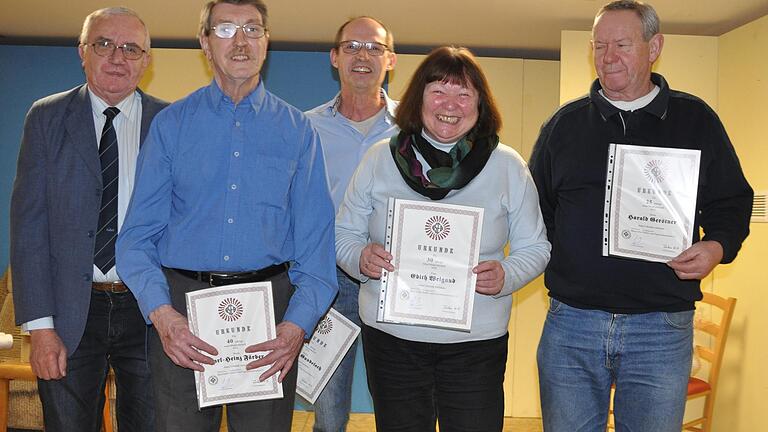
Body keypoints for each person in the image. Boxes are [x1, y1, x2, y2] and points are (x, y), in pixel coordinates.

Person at [529, 1, 753, 431]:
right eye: (598, 46)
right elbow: (538, 211)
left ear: (655, 47)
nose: (607, 57)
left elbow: (732, 201)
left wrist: (717, 246)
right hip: (572, 322)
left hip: (661, 327)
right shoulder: (564, 125)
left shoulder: (696, 120)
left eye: (621, 44)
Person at [115, 0, 337, 430]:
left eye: (253, 29)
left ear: (267, 43)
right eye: (225, 29)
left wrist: (295, 329)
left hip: (270, 322)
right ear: (204, 43)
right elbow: (136, 240)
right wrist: (163, 316)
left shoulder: (297, 130)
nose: (240, 41)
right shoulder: (172, 126)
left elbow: (317, 248)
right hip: (182, 319)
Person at [335, 46, 551, 432]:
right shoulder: (379, 159)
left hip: (475, 346)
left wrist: (506, 274)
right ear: (418, 98)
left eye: (464, 93)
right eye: (438, 90)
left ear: (480, 105)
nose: (450, 104)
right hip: (392, 341)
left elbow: (535, 246)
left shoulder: (507, 166)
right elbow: (343, 234)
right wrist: (359, 258)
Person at [9, 7, 167, 432]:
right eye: (104, 44)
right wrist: (40, 328)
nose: (118, 57)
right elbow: (29, 229)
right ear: (82, 51)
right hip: (67, 314)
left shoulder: (170, 123)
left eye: (131, 48)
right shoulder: (45, 117)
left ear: (147, 60)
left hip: (150, 309)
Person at [304, 16, 397, 432]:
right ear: (334, 57)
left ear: (390, 60)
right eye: (352, 46)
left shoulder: (412, 130)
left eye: (374, 47)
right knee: (328, 406)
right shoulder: (305, 128)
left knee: (398, 396)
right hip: (326, 278)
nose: (363, 56)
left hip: (392, 278)